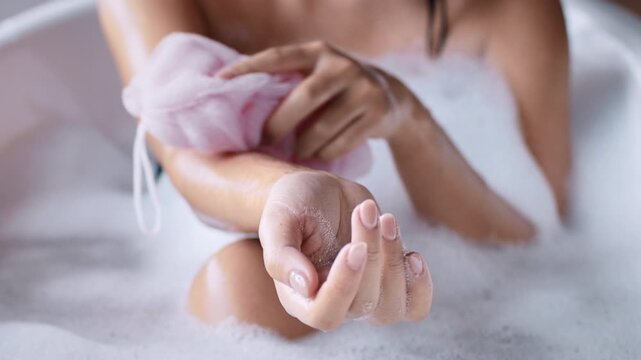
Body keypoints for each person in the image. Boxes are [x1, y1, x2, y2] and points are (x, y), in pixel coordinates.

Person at [98, 0, 570, 338]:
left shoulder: (507, 9)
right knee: (239, 286)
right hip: (231, 252)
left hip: (471, 294)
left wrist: (407, 120)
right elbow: (182, 157)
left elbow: (533, 237)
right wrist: (290, 193)